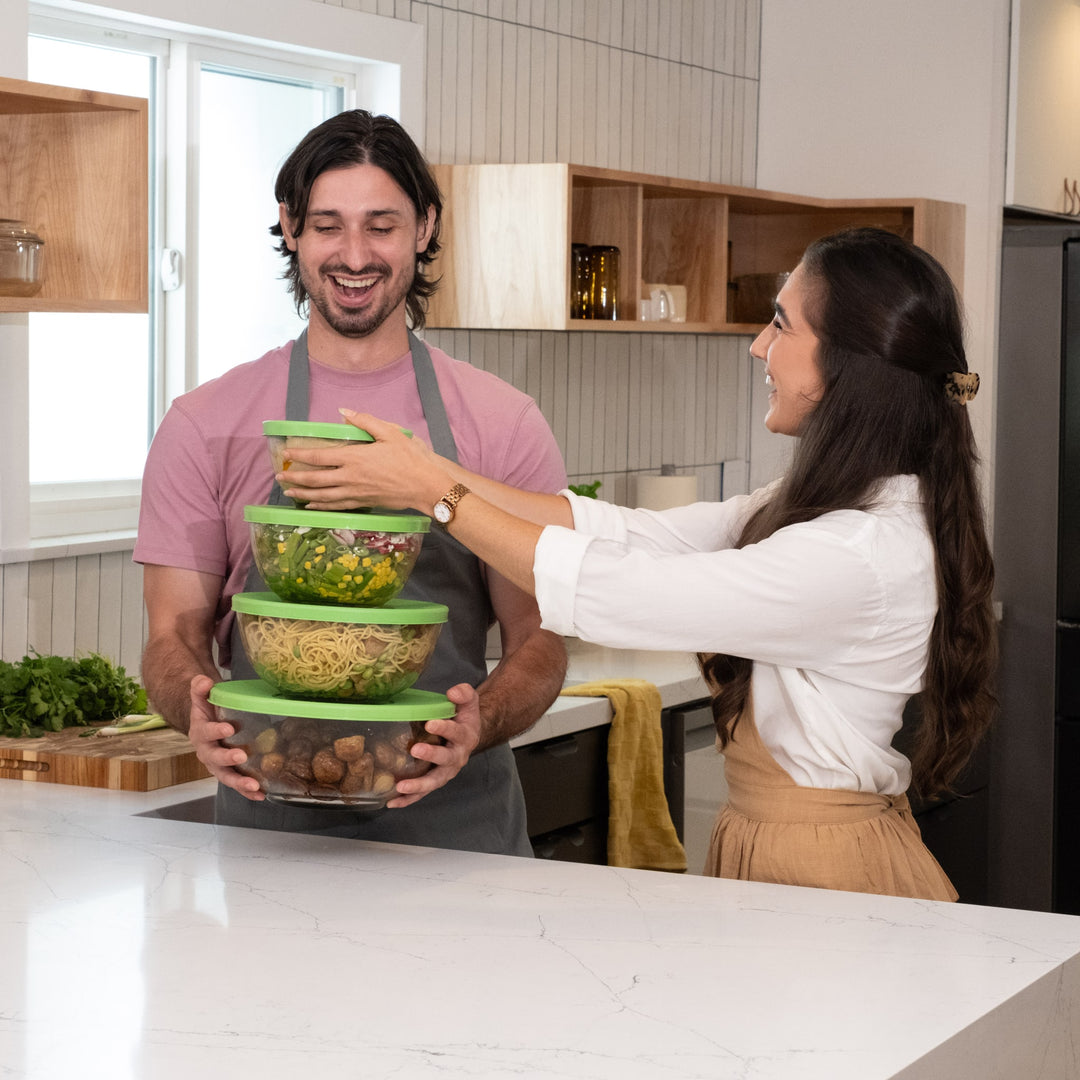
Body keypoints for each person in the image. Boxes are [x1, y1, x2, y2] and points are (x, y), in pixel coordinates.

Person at [278, 226, 998, 901]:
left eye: (781, 324)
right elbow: (630, 533)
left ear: (848, 360)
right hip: (779, 843)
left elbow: (622, 589)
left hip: (826, 866)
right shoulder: (837, 505)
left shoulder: (859, 554)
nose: (757, 346)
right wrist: (429, 471)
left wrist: (431, 490)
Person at [134, 110, 569, 855]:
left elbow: (542, 638)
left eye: (383, 225)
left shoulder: (500, 422)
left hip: (456, 825)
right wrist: (195, 707)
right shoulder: (206, 422)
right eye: (329, 225)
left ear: (426, 227)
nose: (355, 254)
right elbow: (173, 631)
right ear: (290, 227)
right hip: (268, 825)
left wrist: (478, 724)